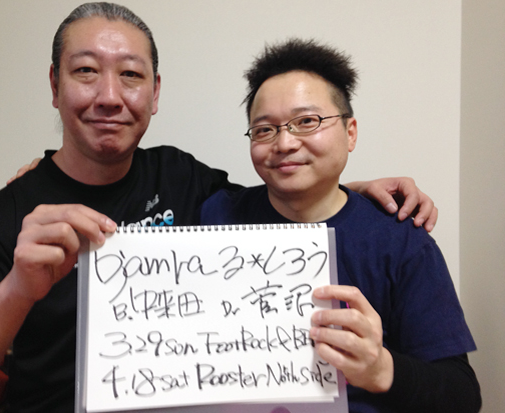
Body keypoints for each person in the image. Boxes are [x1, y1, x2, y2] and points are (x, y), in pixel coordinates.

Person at [0, 4, 437, 413]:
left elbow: (278, 198)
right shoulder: (2, 221)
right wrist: (17, 289)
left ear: (155, 92)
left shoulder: (184, 179)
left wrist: (349, 189)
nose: (110, 96)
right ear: (55, 85)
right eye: (86, 71)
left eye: (131, 75)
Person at [200, 39, 481, 412]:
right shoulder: (215, 216)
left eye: (307, 122)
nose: (284, 143)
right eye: (264, 129)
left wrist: (382, 369)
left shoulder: (400, 241)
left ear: (350, 132)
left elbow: (463, 395)